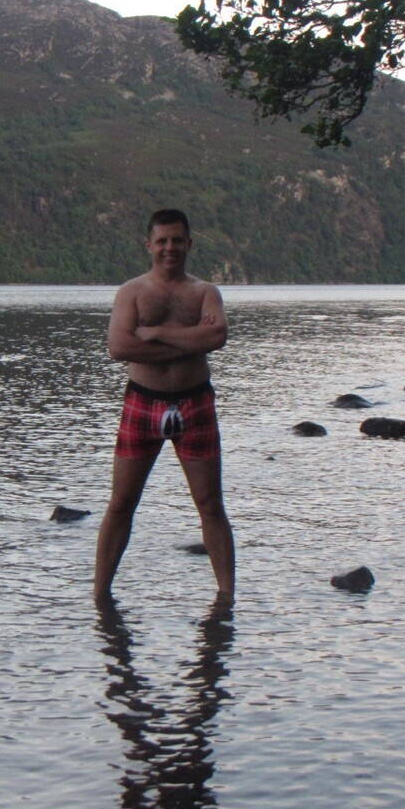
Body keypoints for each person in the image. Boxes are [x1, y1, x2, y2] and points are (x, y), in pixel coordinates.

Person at [94, 209, 235, 604]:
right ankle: (100, 595)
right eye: (162, 241)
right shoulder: (132, 292)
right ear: (149, 245)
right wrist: (191, 340)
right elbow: (119, 347)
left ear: (189, 243)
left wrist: (155, 332)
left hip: (195, 402)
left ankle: (227, 597)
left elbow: (217, 336)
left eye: (177, 240)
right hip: (143, 401)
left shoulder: (205, 293)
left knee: (210, 504)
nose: (169, 247)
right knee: (121, 503)